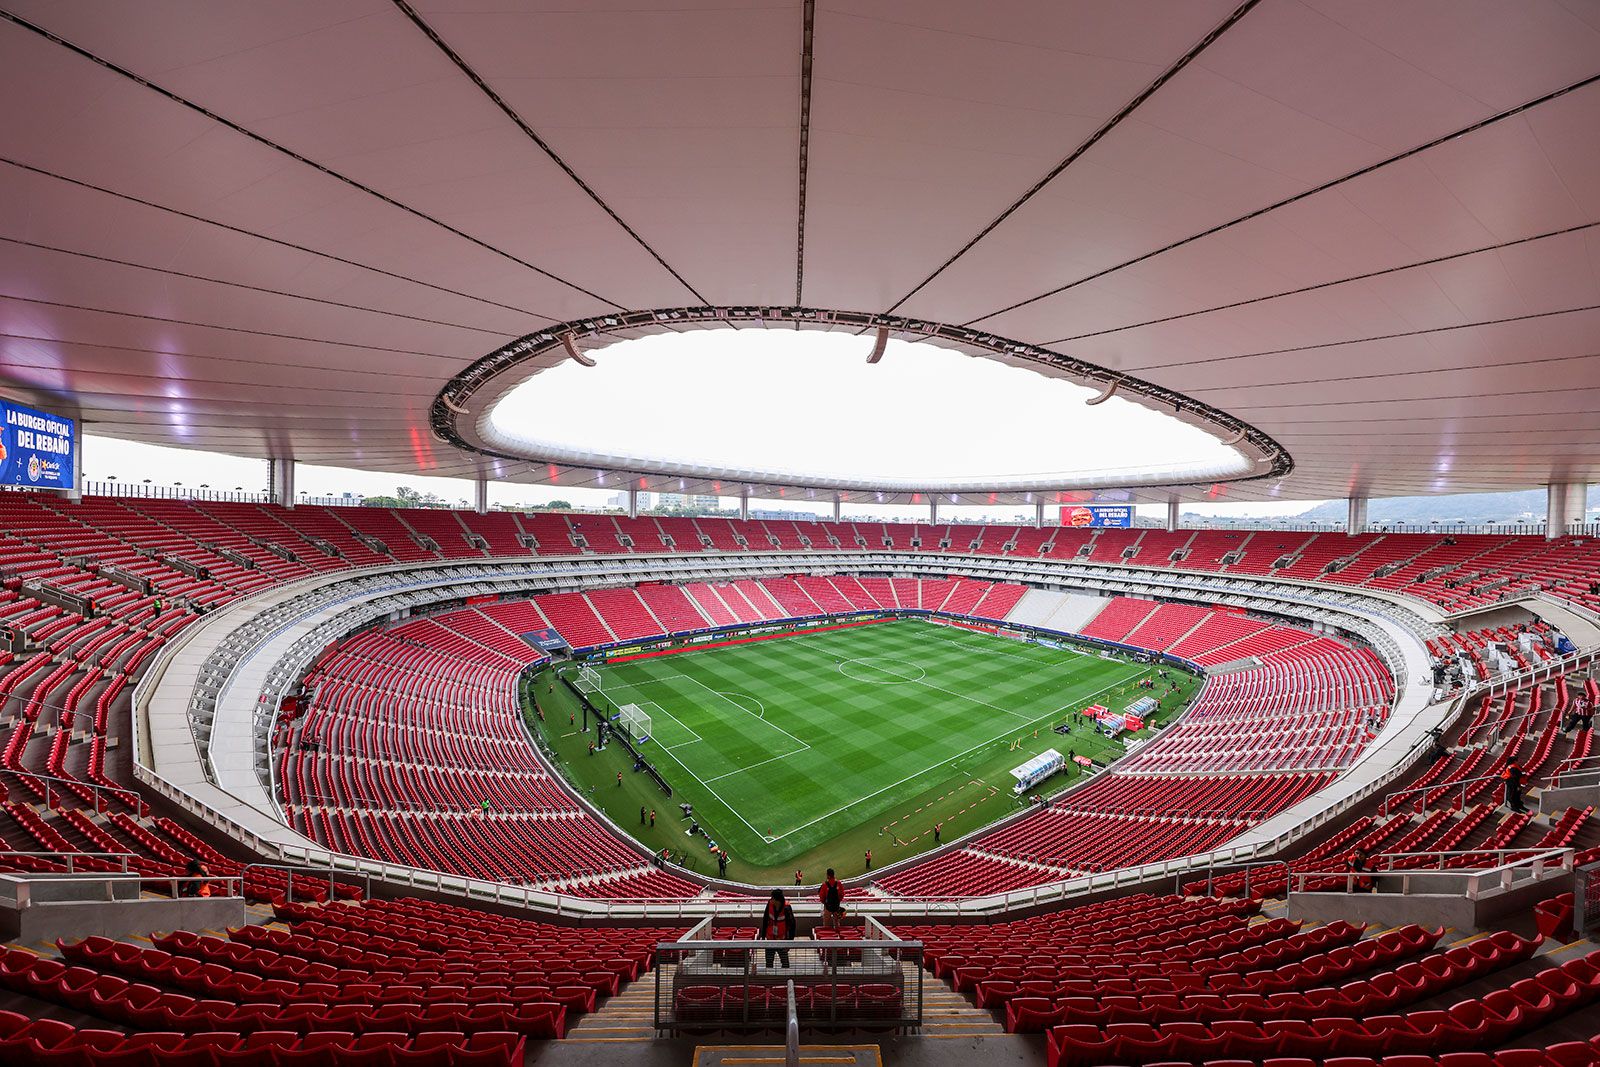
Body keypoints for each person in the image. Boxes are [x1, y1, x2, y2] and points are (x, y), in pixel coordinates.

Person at [757, 889, 797, 968]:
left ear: (777, 900)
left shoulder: (787, 908)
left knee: (785, 964)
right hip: (770, 939)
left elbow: (792, 926)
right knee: (769, 963)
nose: (771, 899)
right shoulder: (769, 904)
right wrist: (763, 936)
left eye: (772, 898)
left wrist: (790, 942)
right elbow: (765, 919)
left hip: (782, 940)